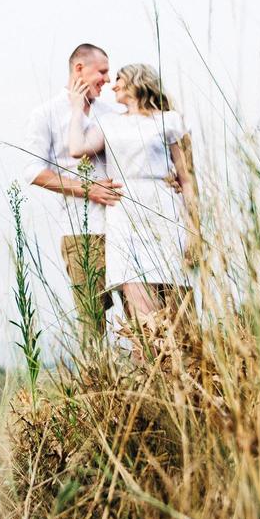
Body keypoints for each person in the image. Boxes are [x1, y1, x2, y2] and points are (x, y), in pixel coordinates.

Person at [67, 62, 192, 326]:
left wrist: (194, 230)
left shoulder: (170, 120)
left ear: (137, 81)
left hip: (164, 208)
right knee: (142, 317)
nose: (113, 84)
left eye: (120, 79)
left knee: (176, 310)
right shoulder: (109, 123)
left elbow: (188, 178)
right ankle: (147, 361)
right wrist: (77, 109)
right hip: (124, 212)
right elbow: (77, 148)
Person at [21, 44, 125, 333]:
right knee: (92, 322)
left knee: (143, 318)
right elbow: (33, 171)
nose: (107, 79)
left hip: (124, 227)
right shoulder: (46, 114)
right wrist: (87, 188)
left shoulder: (113, 112)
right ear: (79, 69)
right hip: (82, 232)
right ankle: (98, 377)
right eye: (102, 71)